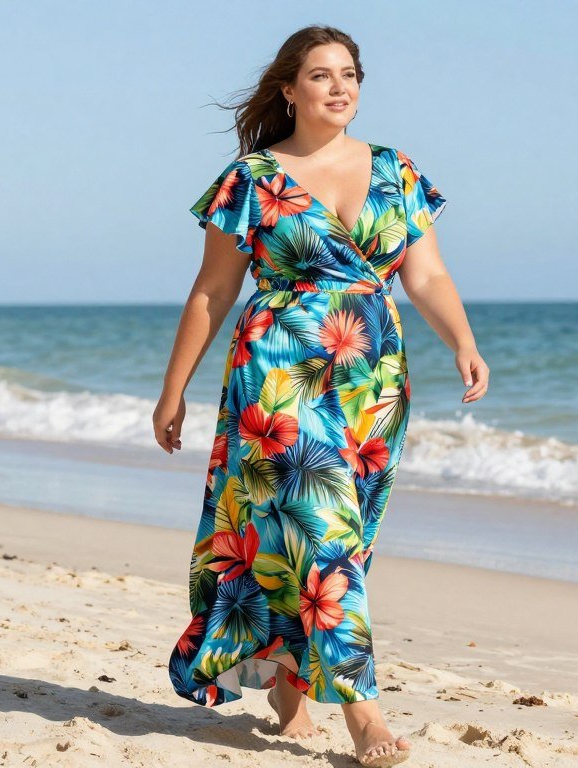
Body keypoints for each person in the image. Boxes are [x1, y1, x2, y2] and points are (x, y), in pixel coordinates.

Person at [153, 24, 488, 768]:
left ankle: (291, 682)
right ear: (289, 90)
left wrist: (463, 341)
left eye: (350, 75)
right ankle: (364, 714)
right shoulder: (252, 177)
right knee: (322, 523)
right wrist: (172, 390)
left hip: (374, 379)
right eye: (321, 75)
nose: (339, 87)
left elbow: (425, 275)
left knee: (342, 540)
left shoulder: (397, 171)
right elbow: (212, 289)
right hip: (278, 369)